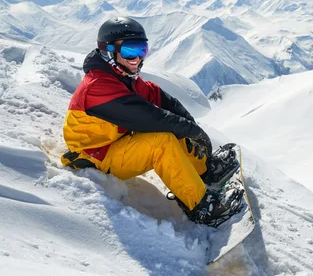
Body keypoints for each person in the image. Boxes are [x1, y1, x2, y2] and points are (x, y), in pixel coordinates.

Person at [61, 17, 241, 226]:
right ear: (108, 51)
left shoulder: (121, 77)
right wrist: (192, 131)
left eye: (142, 50)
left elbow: (161, 99)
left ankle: (204, 171)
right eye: (130, 51)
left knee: (176, 130)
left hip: (115, 142)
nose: (137, 58)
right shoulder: (99, 87)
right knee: (162, 141)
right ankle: (202, 208)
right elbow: (150, 118)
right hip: (97, 155)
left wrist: (192, 127)